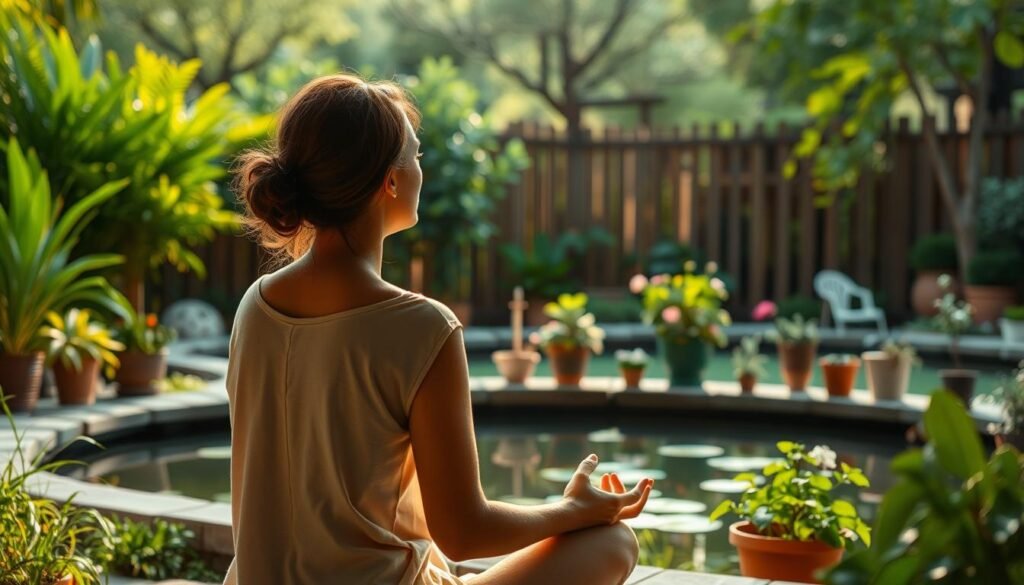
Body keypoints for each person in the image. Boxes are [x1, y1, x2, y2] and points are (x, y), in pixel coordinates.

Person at [225, 74, 653, 585]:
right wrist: (575, 510)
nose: (420, 170)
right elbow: (464, 533)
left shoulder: (255, 306)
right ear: (390, 180)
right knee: (613, 542)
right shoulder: (421, 326)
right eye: (417, 156)